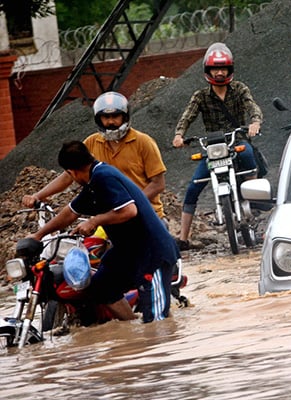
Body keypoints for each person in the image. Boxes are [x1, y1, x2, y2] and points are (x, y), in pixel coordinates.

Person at [28, 141, 178, 323]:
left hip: (152, 253)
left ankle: (151, 332)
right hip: (128, 251)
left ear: (71, 172)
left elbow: (129, 211)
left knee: (157, 323)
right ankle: (131, 327)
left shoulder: (104, 176)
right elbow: (70, 212)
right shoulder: (93, 182)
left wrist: (95, 220)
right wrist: (38, 235)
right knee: (102, 287)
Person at [172, 42, 262, 250]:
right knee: (193, 187)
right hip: (214, 146)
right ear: (208, 71)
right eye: (216, 69)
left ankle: (253, 200)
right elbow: (187, 116)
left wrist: (255, 122)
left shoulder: (239, 89)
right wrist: (179, 135)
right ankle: (184, 238)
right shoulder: (200, 96)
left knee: (248, 155)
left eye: (223, 69)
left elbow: (252, 106)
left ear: (229, 70)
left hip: (236, 140)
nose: (220, 73)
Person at [22, 91, 167, 219]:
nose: (111, 121)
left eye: (116, 116)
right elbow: (68, 176)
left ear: (125, 117)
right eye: (105, 117)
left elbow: (158, 184)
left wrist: (131, 205)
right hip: (112, 218)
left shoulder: (143, 142)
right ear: (99, 119)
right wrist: (38, 196)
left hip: (146, 215)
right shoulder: (91, 142)